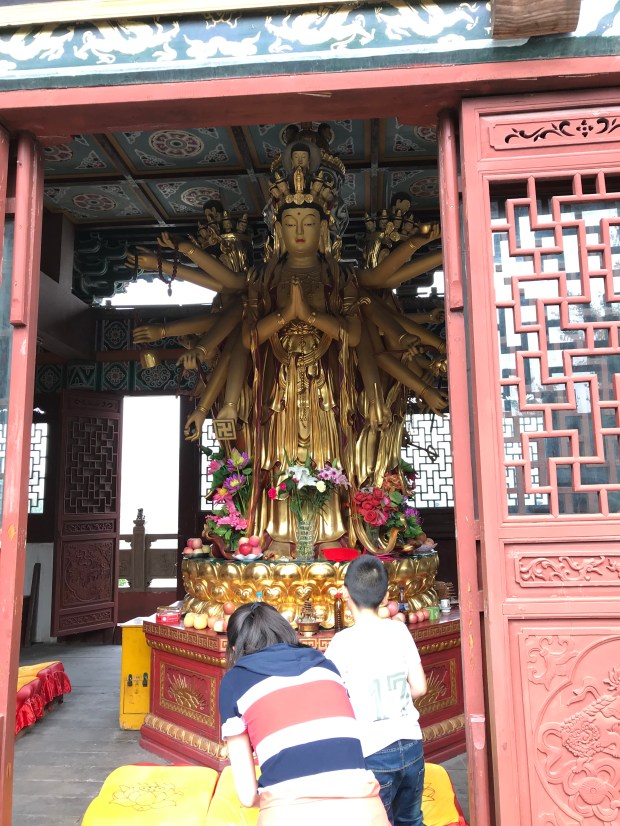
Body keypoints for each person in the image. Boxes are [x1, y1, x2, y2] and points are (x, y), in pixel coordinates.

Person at [219, 601, 390, 825]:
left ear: (234, 649)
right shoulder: (326, 666)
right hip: (365, 813)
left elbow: (247, 795)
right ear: (286, 632)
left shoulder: (235, 681)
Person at [325, 556, 428, 826]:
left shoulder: (341, 643)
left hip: (373, 750)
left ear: (344, 592)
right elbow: (419, 687)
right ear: (385, 596)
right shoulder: (399, 630)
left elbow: (334, 703)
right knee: (412, 820)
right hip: (411, 743)